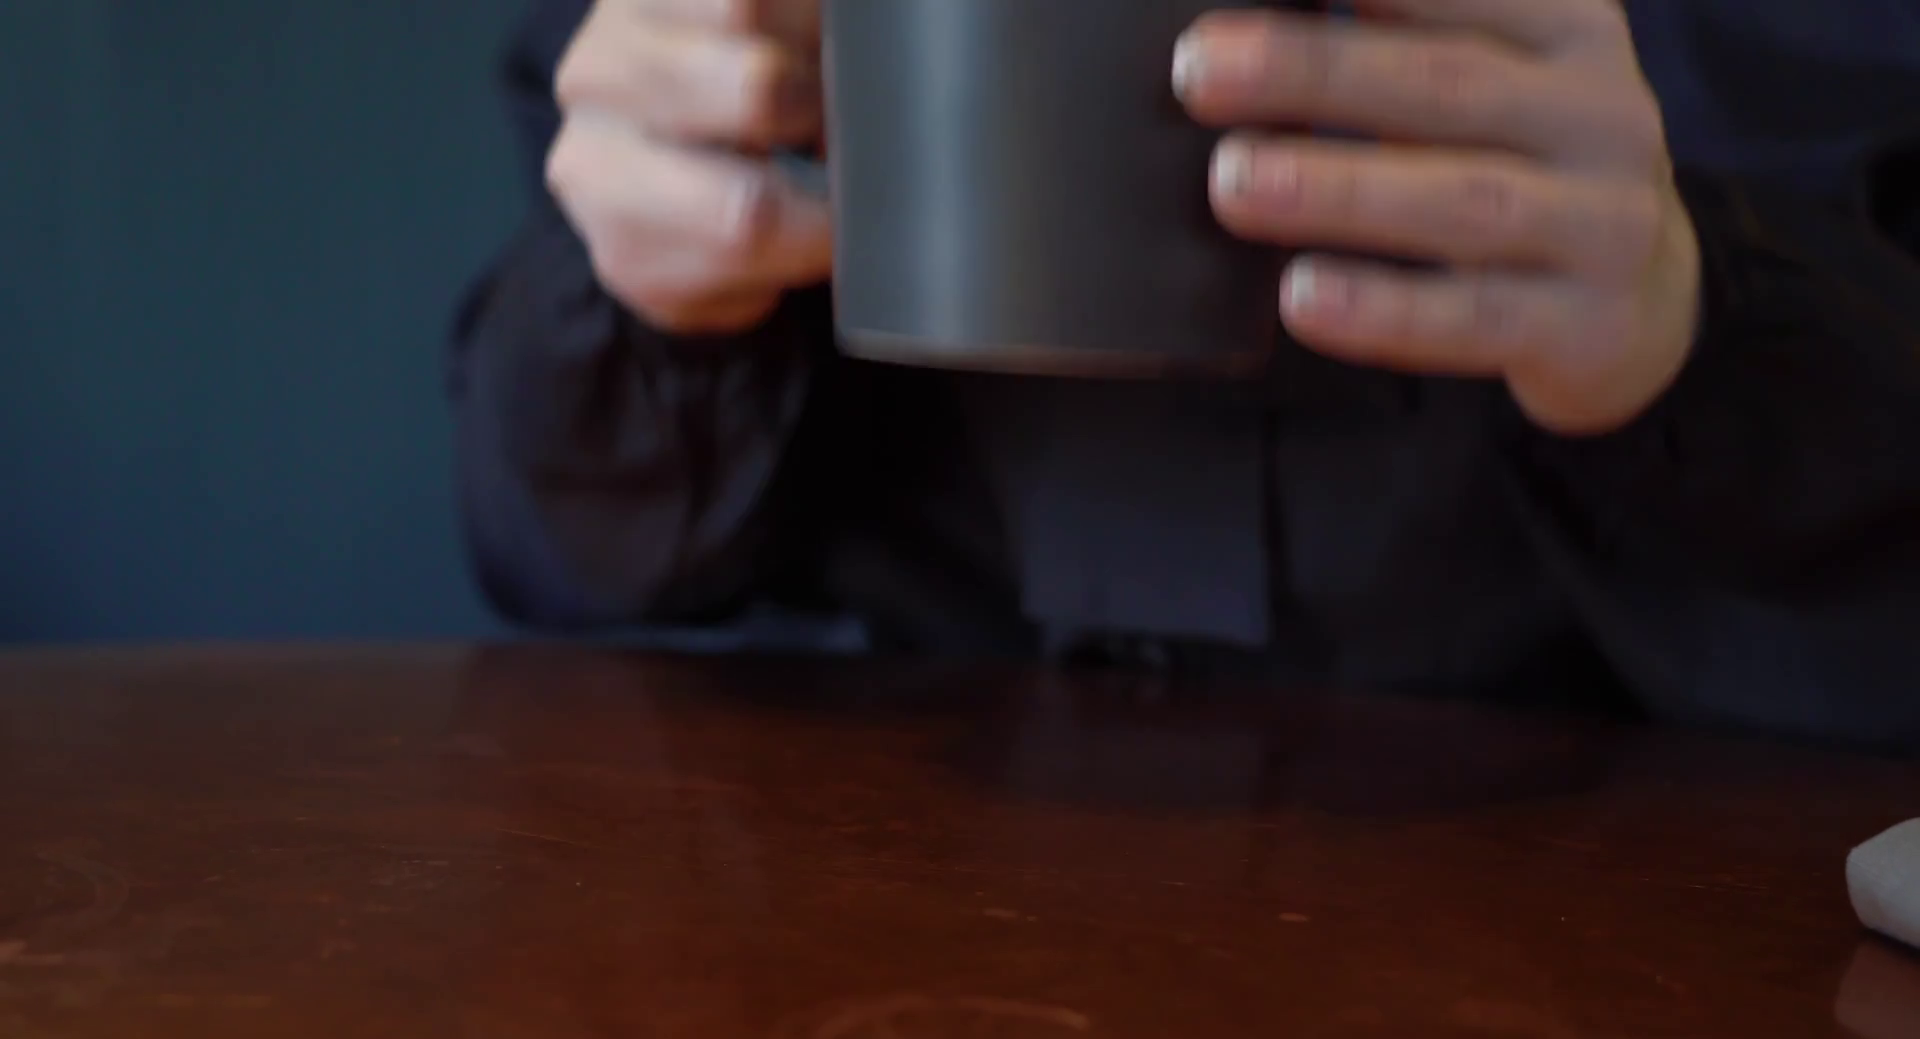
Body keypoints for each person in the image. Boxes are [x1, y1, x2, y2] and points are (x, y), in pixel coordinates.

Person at [449, 0, 1920, 746]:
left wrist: (1687, 333)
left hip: (1615, 896)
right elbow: (548, 544)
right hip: (873, 876)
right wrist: (662, 273)